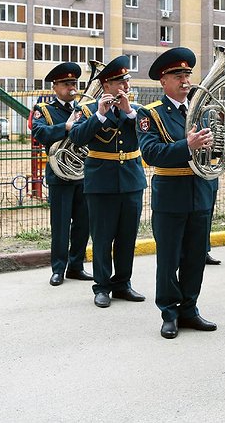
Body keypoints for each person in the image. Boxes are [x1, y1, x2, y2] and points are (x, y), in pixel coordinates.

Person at [137, 47, 225, 339]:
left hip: (201, 193)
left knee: (195, 256)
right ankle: (169, 312)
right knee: (169, 259)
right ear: (163, 81)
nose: (185, 81)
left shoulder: (202, 110)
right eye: (177, 75)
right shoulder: (150, 114)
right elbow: (151, 153)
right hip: (170, 194)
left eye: (187, 75)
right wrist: (187, 146)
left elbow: (219, 151)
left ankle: (190, 308)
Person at [69, 55, 147, 308]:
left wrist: (128, 112)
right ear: (106, 86)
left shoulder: (136, 111)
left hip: (131, 181)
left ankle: (123, 284)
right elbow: (78, 138)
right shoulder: (87, 109)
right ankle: (102, 287)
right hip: (101, 182)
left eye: (126, 80)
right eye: (119, 81)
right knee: (102, 238)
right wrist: (100, 116)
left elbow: (144, 138)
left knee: (127, 237)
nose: (125, 85)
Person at [31, 62, 93, 286]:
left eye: (74, 84)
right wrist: (65, 128)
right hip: (59, 175)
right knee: (60, 223)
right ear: (55, 86)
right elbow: (39, 132)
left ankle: (76, 267)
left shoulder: (83, 109)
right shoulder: (44, 110)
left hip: (82, 173)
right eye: (66, 84)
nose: (71, 88)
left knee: (83, 223)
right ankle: (58, 268)